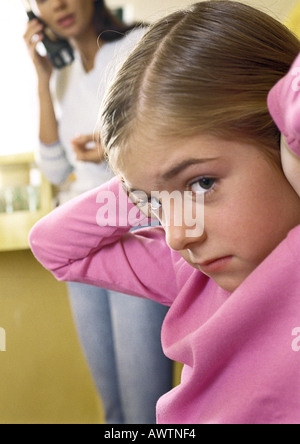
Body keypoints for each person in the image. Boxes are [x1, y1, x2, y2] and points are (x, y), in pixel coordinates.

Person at [29, 0, 300, 424]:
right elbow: (50, 244)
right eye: (157, 203)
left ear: (285, 142)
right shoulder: (187, 269)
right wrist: (145, 185)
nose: (177, 235)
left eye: (202, 182)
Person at [24, 0, 172, 424]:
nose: (58, 4)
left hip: (134, 224)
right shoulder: (63, 76)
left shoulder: (138, 45)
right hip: (81, 233)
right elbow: (54, 168)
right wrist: (42, 79)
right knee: (113, 409)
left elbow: (170, 138)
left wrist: (109, 150)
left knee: (143, 406)